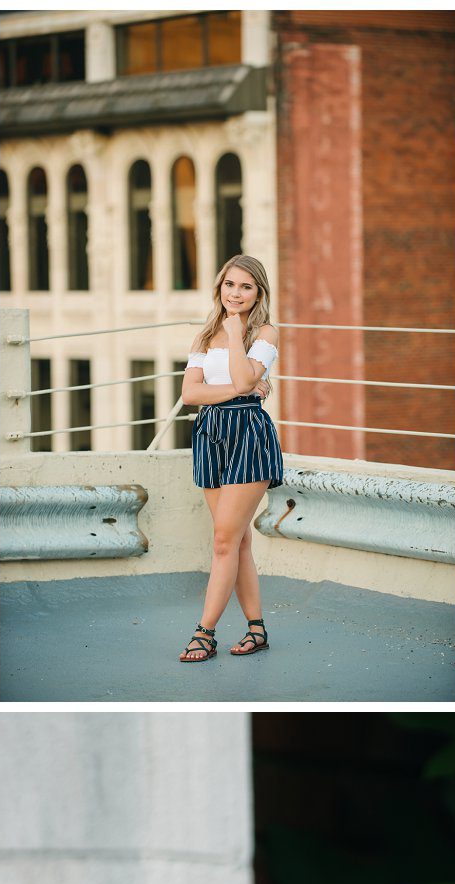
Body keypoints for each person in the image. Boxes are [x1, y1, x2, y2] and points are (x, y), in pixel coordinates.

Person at [176, 254, 284, 666]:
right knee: (236, 542)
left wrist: (237, 335)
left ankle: (205, 633)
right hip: (209, 435)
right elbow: (191, 395)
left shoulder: (267, 333)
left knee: (224, 540)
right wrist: (243, 389)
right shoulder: (204, 337)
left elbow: (242, 379)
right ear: (219, 287)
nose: (235, 294)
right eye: (229, 285)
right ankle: (257, 629)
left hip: (248, 437)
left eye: (246, 287)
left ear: (259, 293)